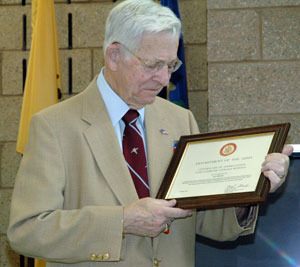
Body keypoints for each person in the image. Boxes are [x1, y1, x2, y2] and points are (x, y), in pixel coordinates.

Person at [8, 0, 292, 266]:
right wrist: (121, 221)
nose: (164, 79)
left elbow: (207, 221)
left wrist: (258, 184)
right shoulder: (54, 126)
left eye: (170, 66)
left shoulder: (181, 119)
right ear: (114, 56)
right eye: (152, 65)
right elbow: (27, 230)